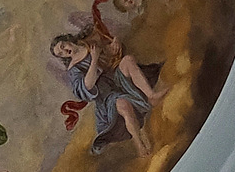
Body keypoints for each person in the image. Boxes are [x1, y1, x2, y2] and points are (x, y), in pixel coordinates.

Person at [50, 25, 162, 153]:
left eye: (63, 46)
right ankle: (139, 144)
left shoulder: (87, 44)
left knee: (128, 60)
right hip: (106, 95)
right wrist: (94, 59)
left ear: (67, 40)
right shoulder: (73, 69)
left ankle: (151, 95)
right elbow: (88, 85)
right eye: (61, 53)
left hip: (115, 77)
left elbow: (108, 53)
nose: (65, 51)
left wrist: (115, 44)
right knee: (124, 105)